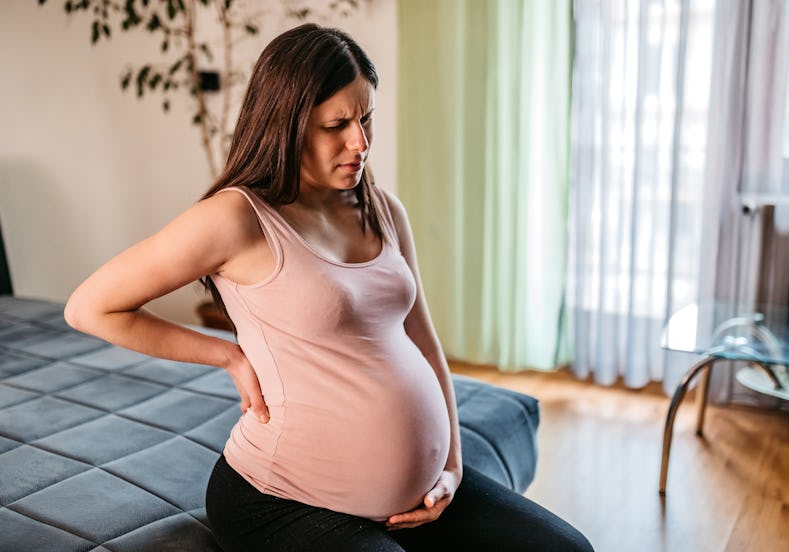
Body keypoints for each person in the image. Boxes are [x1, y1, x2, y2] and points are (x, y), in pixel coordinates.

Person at [65, 23, 593, 552]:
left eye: (366, 119)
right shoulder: (237, 217)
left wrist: (451, 466)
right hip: (283, 500)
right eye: (336, 124)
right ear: (287, 125)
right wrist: (227, 356)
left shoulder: (382, 209)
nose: (359, 142)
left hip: (420, 494)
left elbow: (425, 344)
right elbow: (92, 308)